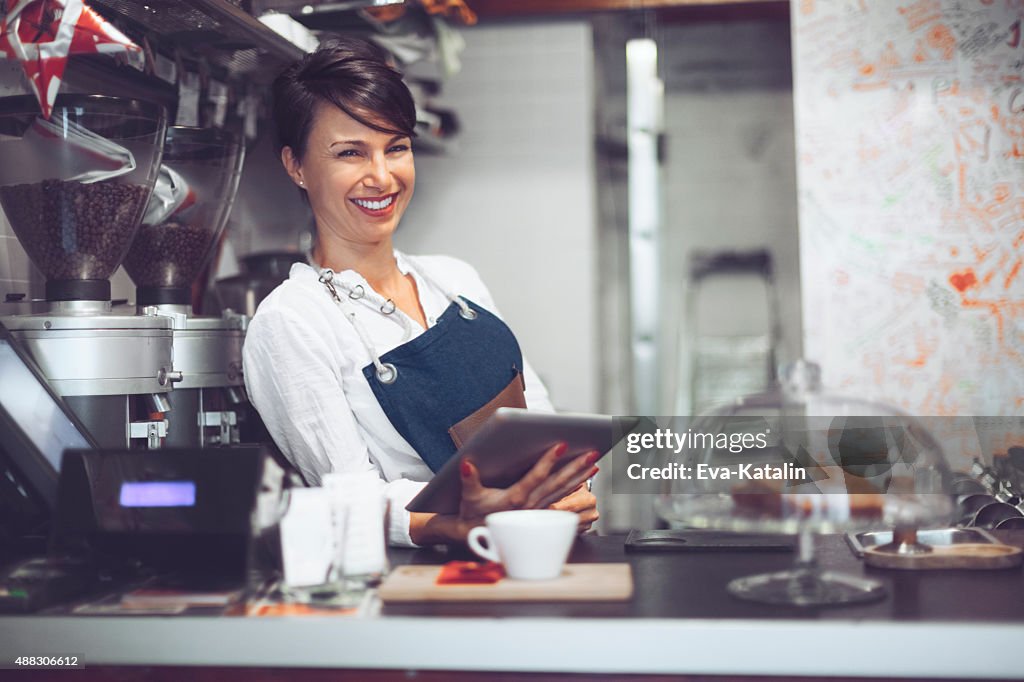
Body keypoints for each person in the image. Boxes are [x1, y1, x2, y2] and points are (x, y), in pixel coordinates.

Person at [243, 39, 599, 548]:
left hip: (536, 556)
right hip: (423, 583)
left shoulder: (455, 281)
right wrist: (459, 523)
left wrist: (571, 487)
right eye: (350, 153)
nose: (382, 176)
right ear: (296, 165)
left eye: (396, 147)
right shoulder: (292, 321)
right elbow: (349, 497)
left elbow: (542, 429)